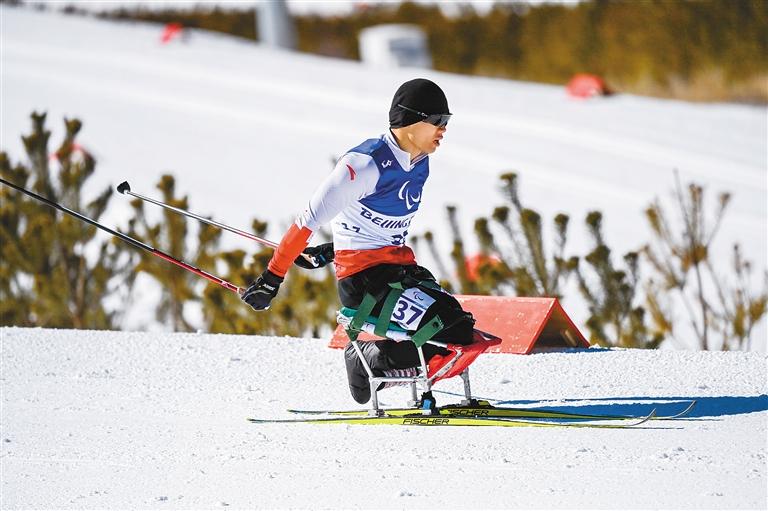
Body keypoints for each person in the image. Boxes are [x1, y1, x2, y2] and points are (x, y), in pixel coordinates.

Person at [241, 78, 475, 404]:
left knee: (461, 327)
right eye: (438, 121)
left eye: (446, 122)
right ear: (409, 121)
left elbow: (370, 225)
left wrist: (332, 248)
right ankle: (367, 357)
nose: (444, 129)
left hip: (399, 270)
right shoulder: (363, 165)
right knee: (447, 330)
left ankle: (380, 358)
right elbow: (305, 223)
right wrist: (271, 278)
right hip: (365, 281)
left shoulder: (420, 162)